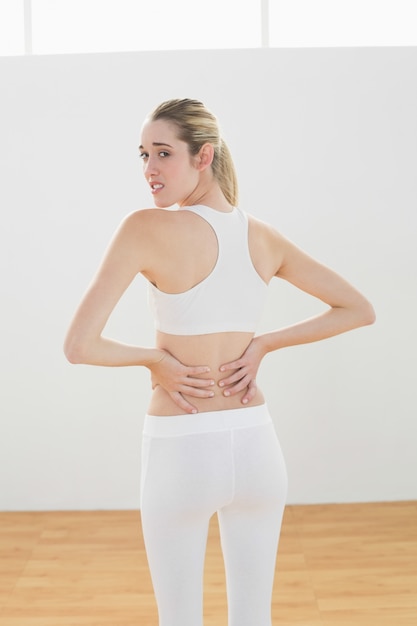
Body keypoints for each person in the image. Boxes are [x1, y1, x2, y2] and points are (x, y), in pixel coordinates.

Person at [64, 98, 375, 626]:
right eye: (142, 154)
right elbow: (358, 309)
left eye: (163, 153)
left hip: (181, 449)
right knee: (254, 618)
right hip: (256, 447)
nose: (149, 170)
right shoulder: (263, 236)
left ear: (203, 156)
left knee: (179, 619)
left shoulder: (143, 228)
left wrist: (154, 361)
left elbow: (80, 346)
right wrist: (263, 344)